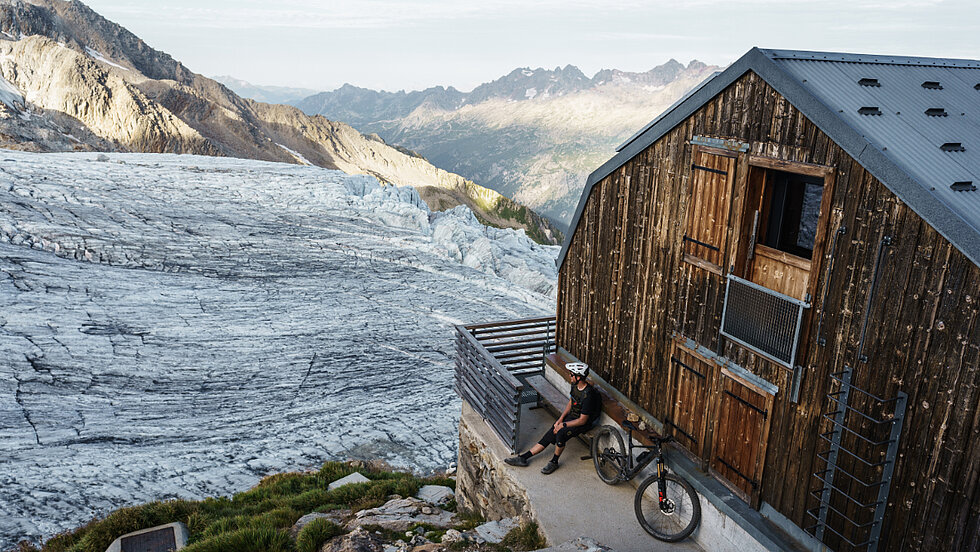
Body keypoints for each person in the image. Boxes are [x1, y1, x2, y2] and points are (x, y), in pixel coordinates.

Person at [504, 362, 601, 474]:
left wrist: (563, 425)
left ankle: (554, 462)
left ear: (578, 377)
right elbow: (571, 403)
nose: (570, 376)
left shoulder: (588, 395)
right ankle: (523, 458)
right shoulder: (575, 385)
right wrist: (560, 420)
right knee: (551, 433)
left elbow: (582, 420)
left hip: (583, 423)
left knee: (560, 434)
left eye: (571, 374)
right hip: (572, 417)